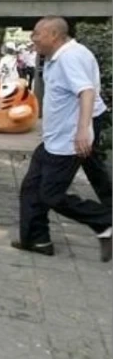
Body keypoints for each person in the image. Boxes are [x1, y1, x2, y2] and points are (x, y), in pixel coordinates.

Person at [13, 16, 112, 261]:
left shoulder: (70, 57)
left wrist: (82, 130)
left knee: (51, 194)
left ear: (54, 35)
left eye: (37, 34)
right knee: (32, 187)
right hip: (56, 136)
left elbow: (86, 92)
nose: (32, 38)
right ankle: (37, 240)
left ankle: (106, 221)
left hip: (70, 137)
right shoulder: (61, 56)